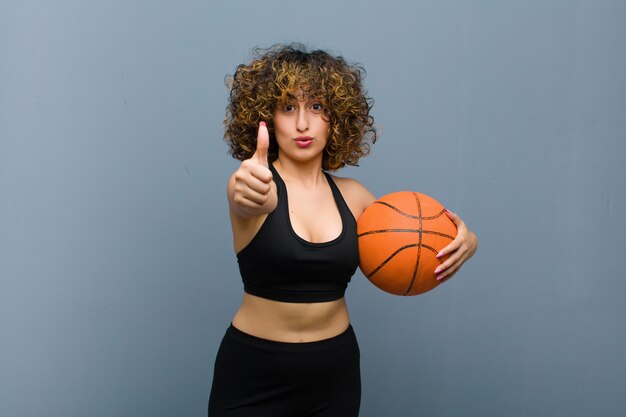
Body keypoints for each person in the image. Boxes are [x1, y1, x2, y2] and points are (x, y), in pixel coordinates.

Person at [208, 44, 478, 417]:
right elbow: (244, 197)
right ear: (265, 119)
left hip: (333, 374)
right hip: (254, 372)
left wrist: (467, 241)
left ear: (336, 118)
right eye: (288, 107)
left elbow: (415, 238)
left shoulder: (354, 197)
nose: (303, 123)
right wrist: (247, 187)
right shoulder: (256, 185)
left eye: (316, 107)